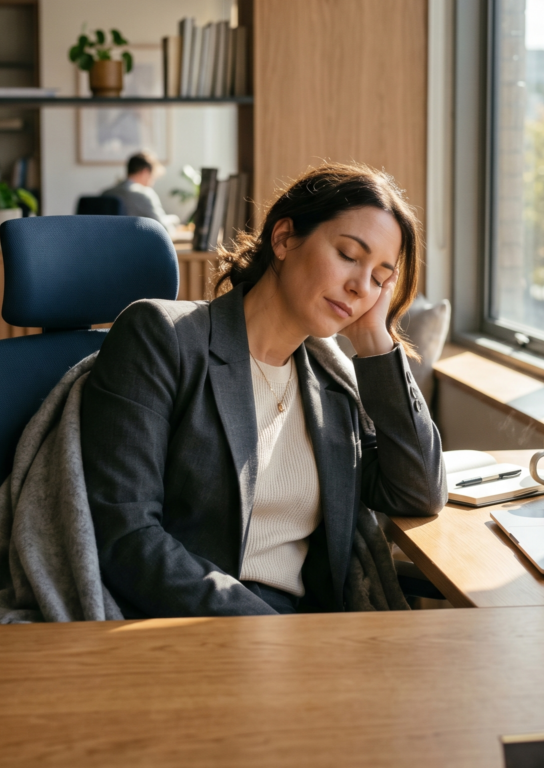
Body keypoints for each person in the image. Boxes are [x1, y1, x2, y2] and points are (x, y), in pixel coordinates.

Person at [82, 162, 446, 617]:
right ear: (284, 238)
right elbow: (125, 536)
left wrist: (375, 341)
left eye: (378, 278)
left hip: (304, 630)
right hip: (186, 627)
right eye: (349, 255)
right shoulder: (164, 338)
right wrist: (267, 633)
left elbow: (418, 491)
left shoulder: (330, 383)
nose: (359, 287)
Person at [101, 151, 178, 231]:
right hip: (137, 242)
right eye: (153, 177)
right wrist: (174, 221)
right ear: (145, 172)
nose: (152, 182)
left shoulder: (106, 193)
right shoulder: (145, 194)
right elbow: (163, 229)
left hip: (108, 242)